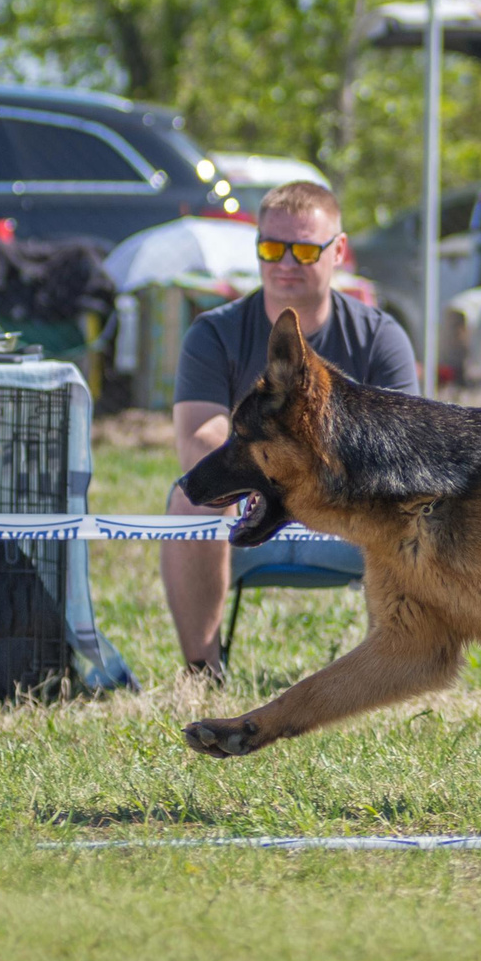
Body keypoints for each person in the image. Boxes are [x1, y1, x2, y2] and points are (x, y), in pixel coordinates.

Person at [161, 181, 417, 679]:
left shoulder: (382, 337)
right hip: (249, 515)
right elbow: (198, 436)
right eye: (271, 248)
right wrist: (265, 484)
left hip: (353, 526)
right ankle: (201, 675)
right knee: (189, 498)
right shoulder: (212, 332)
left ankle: (392, 670)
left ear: (338, 251)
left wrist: (314, 492)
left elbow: (405, 456)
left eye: (303, 249)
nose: (286, 263)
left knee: (410, 512)